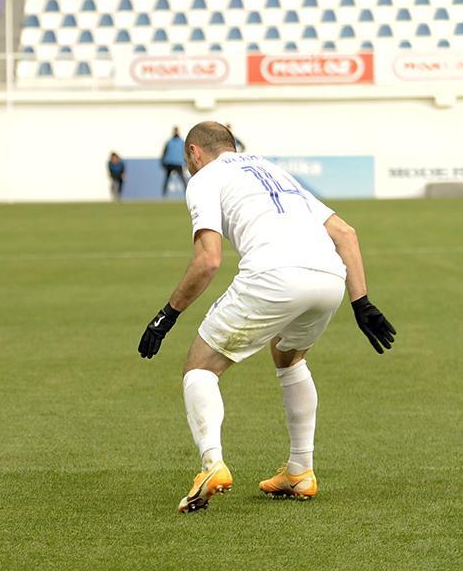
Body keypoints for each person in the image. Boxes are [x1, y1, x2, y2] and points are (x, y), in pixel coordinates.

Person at [137, 121, 395, 513]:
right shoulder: (273, 169)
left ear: (194, 152)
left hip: (274, 275)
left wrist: (166, 316)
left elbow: (208, 260)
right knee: (289, 356)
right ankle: (300, 470)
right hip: (329, 277)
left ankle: (212, 465)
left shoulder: (204, 177)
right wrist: (362, 303)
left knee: (200, 367)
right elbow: (345, 233)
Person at [160, 126, 187, 197]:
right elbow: (164, 152)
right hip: (170, 163)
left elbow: (185, 153)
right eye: (175, 131)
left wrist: (186, 162)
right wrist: (163, 162)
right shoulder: (169, 142)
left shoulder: (182, 142)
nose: (175, 132)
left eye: (176, 131)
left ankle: (187, 193)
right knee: (167, 179)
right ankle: (164, 195)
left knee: (182, 179)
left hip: (178, 163)